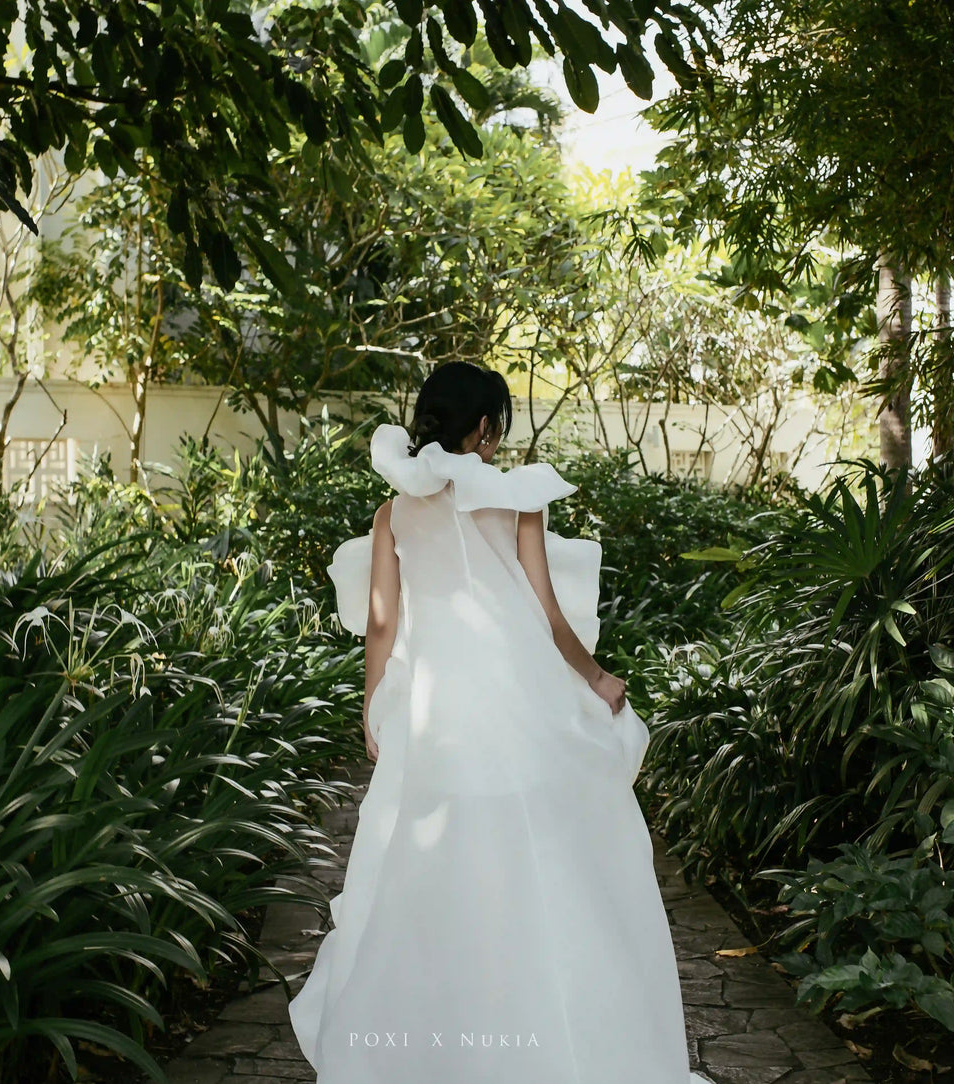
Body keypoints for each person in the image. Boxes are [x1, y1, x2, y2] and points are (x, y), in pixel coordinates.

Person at [287, 361, 710, 1083]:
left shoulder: (392, 513)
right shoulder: (517, 500)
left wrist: (371, 704)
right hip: (518, 698)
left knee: (431, 865)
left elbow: (380, 626)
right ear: (484, 427)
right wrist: (596, 676)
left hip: (434, 707)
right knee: (544, 859)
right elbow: (546, 614)